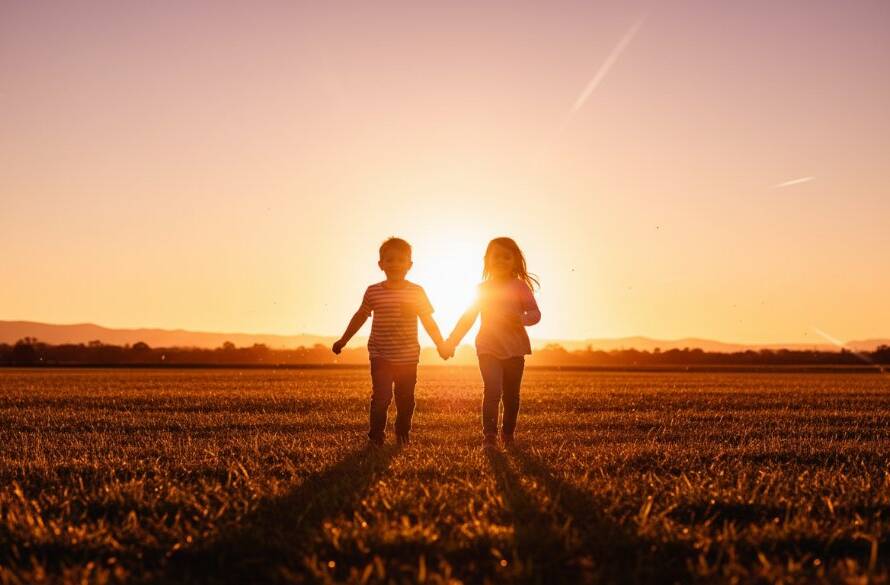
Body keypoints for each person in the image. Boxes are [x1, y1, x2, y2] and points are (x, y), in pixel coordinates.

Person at [332, 237, 450, 446]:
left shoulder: (416, 292)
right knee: (381, 398)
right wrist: (343, 340)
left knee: (406, 400)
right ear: (381, 265)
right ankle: (376, 437)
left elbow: (428, 321)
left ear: (409, 265)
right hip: (380, 355)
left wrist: (441, 343)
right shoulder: (373, 291)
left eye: (401, 260)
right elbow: (360, 316)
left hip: (408, 356)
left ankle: (402, 433)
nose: (395, 264)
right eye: (390, 260)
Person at [442, 237, 541, 446]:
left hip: (515, 349)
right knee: (493, 389)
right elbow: (468, 318)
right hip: (488, 347)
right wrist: (451, 341)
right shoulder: (482, 289)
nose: (501, 260)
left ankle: (508, 434)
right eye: (497, 256)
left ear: (515, 261)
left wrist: (520, 319)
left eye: (507, 256)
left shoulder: (520, 287)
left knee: (512, 395)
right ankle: (490, 435)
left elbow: (535, 314)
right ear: (487, 259)